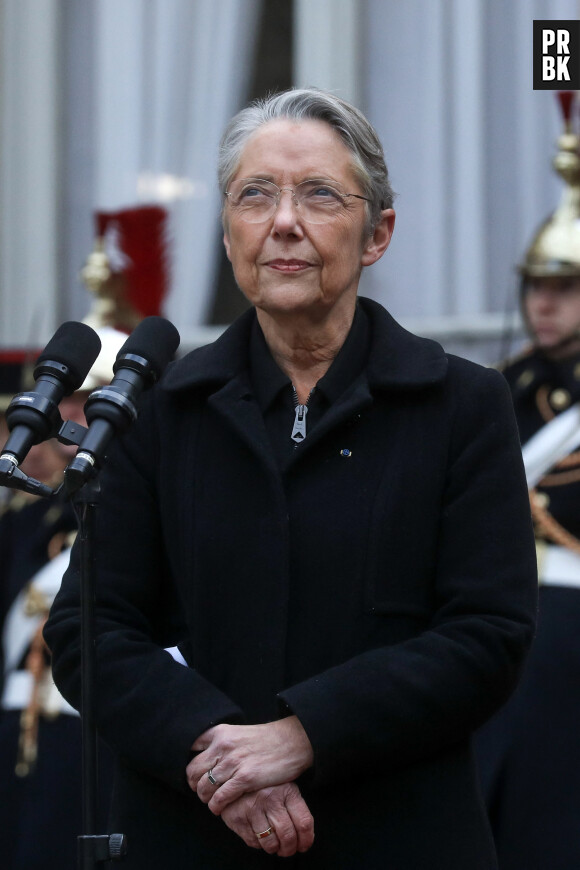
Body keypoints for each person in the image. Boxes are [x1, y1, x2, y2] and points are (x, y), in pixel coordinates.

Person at [45, 87, 537, 869]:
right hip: (192, 832)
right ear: (228, 231)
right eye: (254, 195)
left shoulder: (462, 405)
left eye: (318, 195)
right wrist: (222, 758)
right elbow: (87, 631)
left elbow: (488, 635)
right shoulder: (161, 409)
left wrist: (301, 736)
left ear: (377, 234)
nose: (282, 222)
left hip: (398, 837)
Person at [476, 91, 580, 870]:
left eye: (565, 287)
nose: (543, 305)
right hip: (505, 612)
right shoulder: (497, 390)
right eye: (536, 287)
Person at [0, 329, 125, 869]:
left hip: (101, 731)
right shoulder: (34, 514)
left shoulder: (147, 505)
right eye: (69, 398)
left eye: (91, 398)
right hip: (17, 726)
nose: (73, 412)